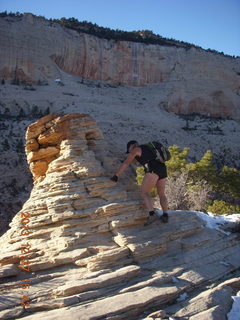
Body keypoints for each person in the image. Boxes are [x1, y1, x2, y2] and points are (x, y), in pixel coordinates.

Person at [110, 140, 169, 224]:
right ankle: (165, 215)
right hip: (162, 168)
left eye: (129, 150)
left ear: (132, 146)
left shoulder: (136, 149)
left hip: (152, 169)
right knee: (162, 194)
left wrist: (116, 175)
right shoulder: (147, 148)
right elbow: (133, 161)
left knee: (144, 192)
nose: (130, 152)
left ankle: (152, 215)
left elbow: (127, 163)